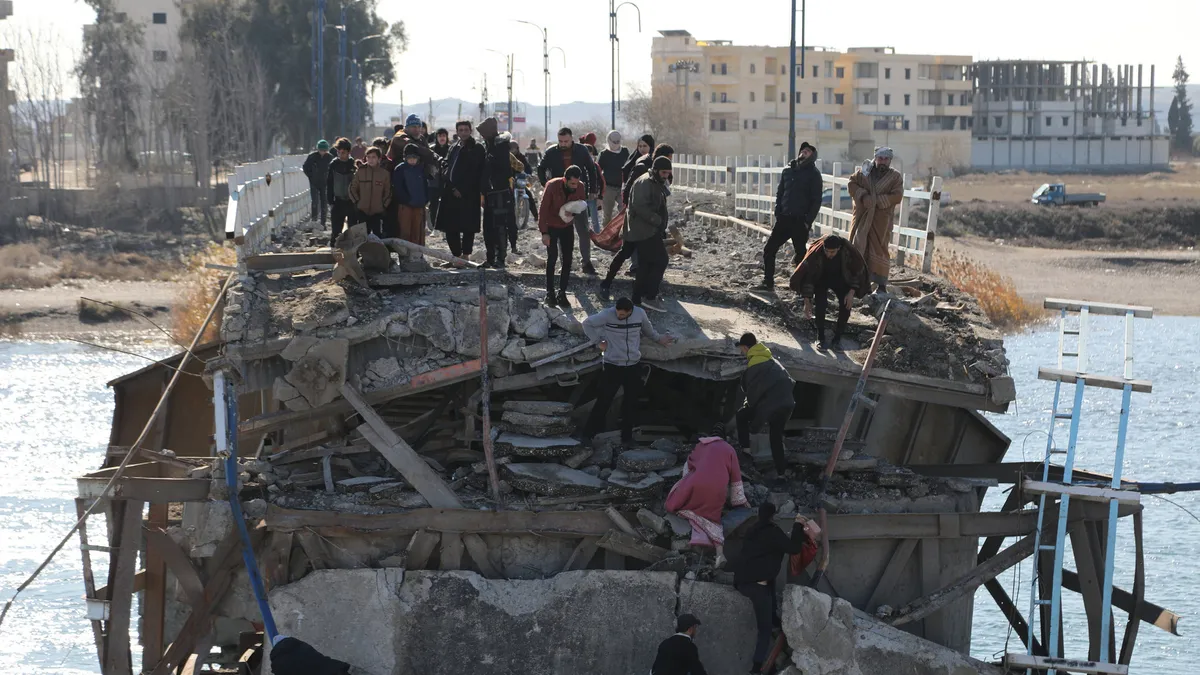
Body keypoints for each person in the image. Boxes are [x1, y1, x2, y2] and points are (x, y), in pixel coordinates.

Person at [733, 503, 820, 675]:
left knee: (770, 590)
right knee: (764, 631)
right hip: (758, 586)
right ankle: (756, 669)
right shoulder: (773, 532)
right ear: (774, 516)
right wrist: (797, 525)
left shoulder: (753, 530)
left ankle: (774, 619)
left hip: (742, 582)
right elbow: (793, 548)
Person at [581, 297, 675, 445]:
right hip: (612, 365)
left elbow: (648, 330)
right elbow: (586, 324)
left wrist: (660, 339)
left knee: (630, 403)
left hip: (632, 365)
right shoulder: (607, 314)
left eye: (623, 315)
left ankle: (627, 439)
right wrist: (598, 341)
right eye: (618, 314)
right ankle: (587, 436)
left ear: (630, 311)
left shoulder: (640, 314)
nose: (619, 317)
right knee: (603, 401)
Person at [665, 423, 749, 569]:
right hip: (717, 488)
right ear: (724, 437)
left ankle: (693, 524)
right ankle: (719, 553)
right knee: (713, 517)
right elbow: (736, 479)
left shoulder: (701, 445)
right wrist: (741, 501)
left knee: (677, 506)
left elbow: (688, 466)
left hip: (696, 483)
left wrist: (686, 484)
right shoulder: (729, 449)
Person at [756, 142, 822, 291]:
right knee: (769, 250)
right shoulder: (788, 170)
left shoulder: (814, 174)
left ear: (812, 156)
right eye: (803, 150)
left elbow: (816, 200)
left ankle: (803, 286)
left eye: (808, 151)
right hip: (784, 219)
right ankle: (768, 282)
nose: (804, 152)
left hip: (800, 221)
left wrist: (807, 221)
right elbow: (780, 193)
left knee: (801, 255)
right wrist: (778, 211)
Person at [538, 127, 601, 275]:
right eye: (560, 141)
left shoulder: (582, 151)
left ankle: (586, 262)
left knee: (583, 230)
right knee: (561, 230)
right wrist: (546, 185)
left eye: (566, 141)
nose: (563, 144)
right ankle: (564, 262)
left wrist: (592, 190)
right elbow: (541, 168)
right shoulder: (551, 152)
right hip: (558, 197)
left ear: (572, 138)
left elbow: (591, 170)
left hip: (578, 195)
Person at [789, 235, 870, 349]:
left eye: (832, 252)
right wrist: (807, 301)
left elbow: (857, 271)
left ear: (839, 249)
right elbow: (809, 277)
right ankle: (820, 337)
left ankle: (837, 339)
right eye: (827, 251)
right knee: (820, 305)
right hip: (821, 279)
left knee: (846, 306)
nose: (829, 254)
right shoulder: (816, 254)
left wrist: (851, 293)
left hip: (842, 280)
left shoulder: (848, 252)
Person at [734, 333, 795, 476]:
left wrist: (754, 426)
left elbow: (754, 397)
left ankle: (746, 452)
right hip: (787, 404)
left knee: (741, 416)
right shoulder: (770, 359)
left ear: (745, 348)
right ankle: (781, 474)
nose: (742, 352)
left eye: (742, 349)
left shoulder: (754, 365)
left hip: (772, 405)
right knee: (776, 438)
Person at [617, 156, 672, 312]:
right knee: (661, 260)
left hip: (649, 229)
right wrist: (657, 220)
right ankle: (650, 297)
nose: (666, 175)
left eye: (668, 173)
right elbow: (640, 207)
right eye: (664, 172)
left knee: (646, 265)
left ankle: (637, 298)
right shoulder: (645, 182)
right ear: (655, 170)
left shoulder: (655, 181)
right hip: (645, 230)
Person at [848, 146, 904, 294]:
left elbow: (897, 196)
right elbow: (851, 184)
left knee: (880, 249)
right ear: (875, 158)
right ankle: (857, 281)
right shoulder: (864, 173)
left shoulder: (895, 177)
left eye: (886, 159)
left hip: (881, 221)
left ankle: (881, 285)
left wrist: (878, 201)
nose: (883, 162)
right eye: (880, 158)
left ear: (890, 161)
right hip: (863, 218)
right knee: (859, 245)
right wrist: (863, 196)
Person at [436, 120, 487, 260]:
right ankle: (456, 256)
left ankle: (465, 256)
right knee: (450, 226)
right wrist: (451, 186)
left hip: (469, 194)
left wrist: (463, 190)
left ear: (470, 131)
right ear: (457, 132)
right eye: (461, 130)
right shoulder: (454, 147)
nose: (463, 132)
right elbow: (446, 164)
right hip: (451, 192)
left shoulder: (477, 148)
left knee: (468, 227)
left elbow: (476, 172)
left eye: (466, 130)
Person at [538, 165, 588, 308]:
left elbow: (581, 204)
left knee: (567, 259)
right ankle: (550, 293)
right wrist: (544, 232)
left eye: (576, 183)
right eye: (572, 183)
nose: (574, 186)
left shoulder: (580, 187)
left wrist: (572, 213)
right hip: (552, 226)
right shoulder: (552, 186)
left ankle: (562, 292)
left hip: (567, 227)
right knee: (552, 258)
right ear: (565, 180)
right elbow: (543, 209)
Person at [477, 117, 515, 269]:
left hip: (500, 193)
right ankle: (491, 258)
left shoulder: (499, 147)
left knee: (499, 227)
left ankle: (500, 259)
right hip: (490, 193)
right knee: (488, 228)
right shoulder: (490, 146)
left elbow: (502, 170)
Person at [349, 146, 392, 237]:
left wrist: (383, 205)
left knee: (377, 237)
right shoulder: (360, 172)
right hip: (362, 211)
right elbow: (352, 188)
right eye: (368, 157)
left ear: (379, 159)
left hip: (377, 212)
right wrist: (357, 202)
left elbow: (388, 192)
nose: (371, 160)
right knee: (362, 237)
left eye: (373, 157)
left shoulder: (384, 174)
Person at [393, 144, 429, 245]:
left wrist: (425, 199)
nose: (412, 160)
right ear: (405, 158)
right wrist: (406, 200)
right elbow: (398, 188)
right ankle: (405, 256)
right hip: (405, 206)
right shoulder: (400, 169)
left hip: (419, 205)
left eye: (415, 158)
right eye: (410, 158)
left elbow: (426, 186)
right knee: (405, 231)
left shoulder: (422, 168)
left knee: (418, 231)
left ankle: (417, 255)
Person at [326, 137, 358, 247]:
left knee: (353, 229)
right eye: (338, 152)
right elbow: (329, 183)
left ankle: (354, 252)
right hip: (338, 201)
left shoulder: (353, 164)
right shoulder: (333, 165)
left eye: (343, 152)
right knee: (336, 230)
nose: (340, 154)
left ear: (348, 152)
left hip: (351, 201)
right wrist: (330, 200)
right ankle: (334, 251)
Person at [598, 130, 630, 226]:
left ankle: (623, 236)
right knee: (607, 215)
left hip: (622, 187)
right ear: (609, 140)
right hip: (608, 188)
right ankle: (606, 237)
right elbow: (598, 171)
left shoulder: (625, 151)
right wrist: (599, 190)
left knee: (624, 211)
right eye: (614, 142)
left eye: (618, 141)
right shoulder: (604, 154)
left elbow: (629, 166)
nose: (616, 144)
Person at [302, 139, 331, 228]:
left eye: (324, 151)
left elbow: (333, 169)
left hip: (325, 183)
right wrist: (311, 176)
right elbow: (305, 167)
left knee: (324, 202)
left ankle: (323, 222)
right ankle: (314, 219)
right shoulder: (312, 157)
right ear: (318, 149)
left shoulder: (330, 157)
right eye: (321, 150)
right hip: (314, 182)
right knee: (314, 201)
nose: (322, 152)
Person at [428, 128, 452, 229]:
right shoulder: (431, 149)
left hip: (447, 181)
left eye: (443, 136)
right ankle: (435, 226)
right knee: (433, 204)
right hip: (434, 180)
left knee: (447, 204)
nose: (442, 138)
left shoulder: (451, 149)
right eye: (439, 136)